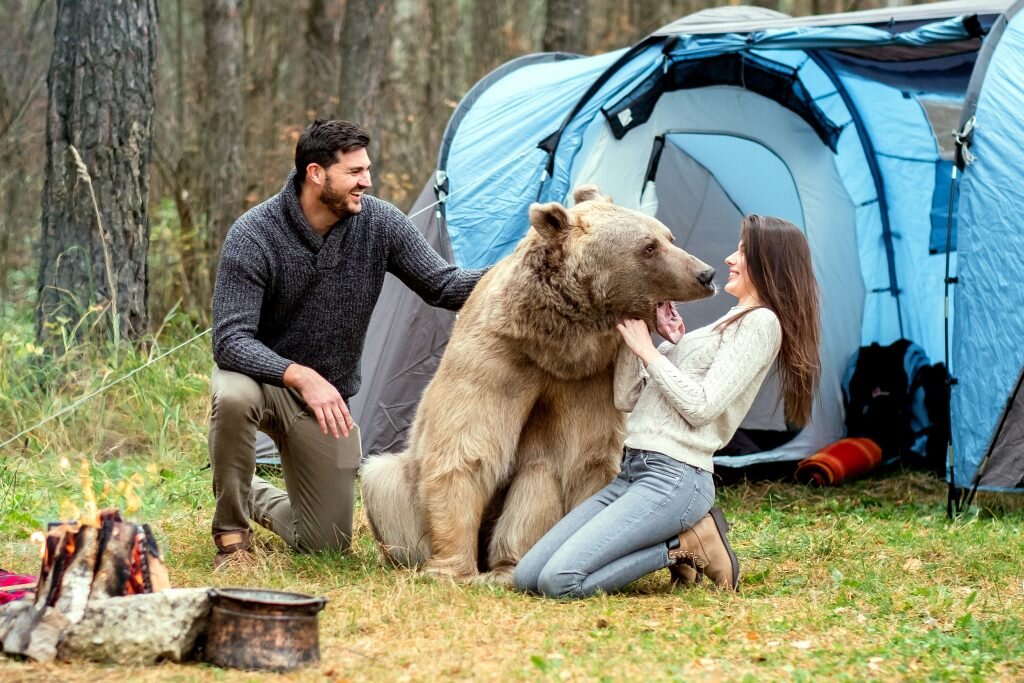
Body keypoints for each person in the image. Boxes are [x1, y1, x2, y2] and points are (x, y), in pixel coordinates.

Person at [208, 119, 487, 569]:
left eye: (368, 170)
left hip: (326, 399)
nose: (367, 181)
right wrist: (300, 374)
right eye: (355, 172)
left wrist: (524, 271)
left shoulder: (379, 224)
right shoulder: (254, 234)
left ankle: (241, 486)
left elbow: (444, 286)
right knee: (234, 396)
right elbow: (230, 341)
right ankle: (231, 535)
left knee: (326, 543)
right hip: (261, 378)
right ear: (316, 173)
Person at [514, 214, 820, 598]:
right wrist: (642, 326)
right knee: (527, 576)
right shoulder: (718, 327)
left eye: (742, 252)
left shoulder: (762, 324)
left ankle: (685, 545)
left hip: (675, 477)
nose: (728, 259)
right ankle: (681, 541)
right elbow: (627, 397)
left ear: (768, 262)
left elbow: (702, 406)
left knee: (560, 582)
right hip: (633, 471)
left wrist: (650, 352)